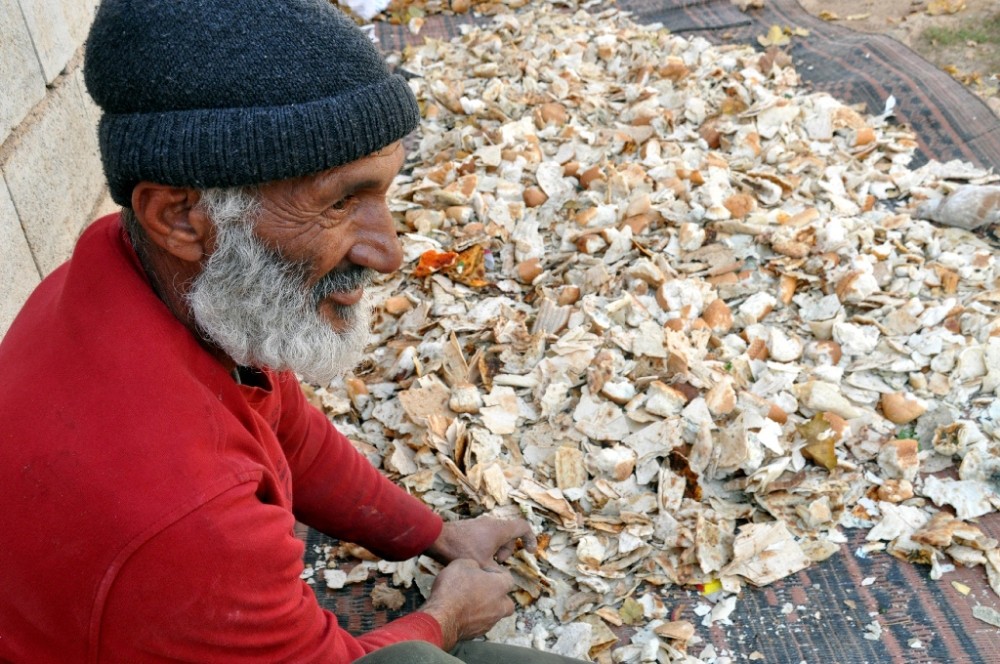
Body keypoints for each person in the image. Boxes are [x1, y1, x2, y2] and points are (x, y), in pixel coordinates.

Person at [0, 1, 587, 662]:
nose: (390, 253)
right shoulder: (188, 518)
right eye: (340, 201)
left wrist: (436, 535)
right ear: (181, 217)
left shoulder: (146, 274)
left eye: (383, 194)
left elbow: (290, 431)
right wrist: (447, 614)